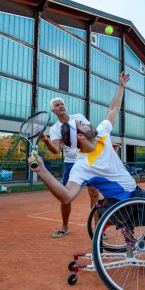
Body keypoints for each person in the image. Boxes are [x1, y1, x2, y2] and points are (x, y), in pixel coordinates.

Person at [29, 72, 145, 261]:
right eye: (82, 124)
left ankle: (128, 240)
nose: (87, 123)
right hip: (130, 202)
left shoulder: (101, 134)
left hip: (120, 203)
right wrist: (42, 171)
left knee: (104, 196)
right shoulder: (83, 164)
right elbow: (67, 196)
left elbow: (112, 110)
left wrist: (121, 87)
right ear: (80, 136)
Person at [41, 97, 100, 238]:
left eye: (62, 104)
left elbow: (93, 133)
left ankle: (98, 229)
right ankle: (64, 226)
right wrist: (46, 140)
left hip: (87, 160)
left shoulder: (78, 117)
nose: (61, 106)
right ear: (53, 110)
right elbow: (55, 150)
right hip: (70, 164)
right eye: (57, 105)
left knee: (94, 194)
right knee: (65, 198)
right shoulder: (55, 129)